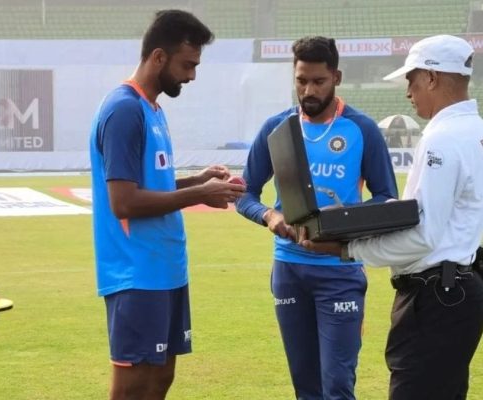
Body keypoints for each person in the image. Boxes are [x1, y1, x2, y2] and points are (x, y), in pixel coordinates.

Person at [300, 35, 483, 400]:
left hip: (435, 295)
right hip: (460, 287)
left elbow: (424, 235)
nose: (408, 91)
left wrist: (347, 248)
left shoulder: (443, 138)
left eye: (411, 79)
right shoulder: (475, 130)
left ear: (431, 77)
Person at [89, 10, 245, 400]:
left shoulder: (152, 109)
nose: (191, 76)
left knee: (160, 379)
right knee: (134, 387)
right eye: (187, 65)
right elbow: (123, 201)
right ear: (159, 57)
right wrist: (199, 195)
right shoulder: (124, 110)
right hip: (136, 273)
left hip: (166, 270)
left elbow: (148, 185)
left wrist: (198, 181)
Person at [236, 36, 398, 400]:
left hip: (339, 272)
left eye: (318, 81)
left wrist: (343, 218)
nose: (308, 90)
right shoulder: (277, 129)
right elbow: (244, 194)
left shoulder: (361, 129)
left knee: (337, 385)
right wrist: (269, 215)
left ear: (336, 77)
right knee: (305, 387)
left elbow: (387, 198)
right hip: (289, 271)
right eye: (301, 80)